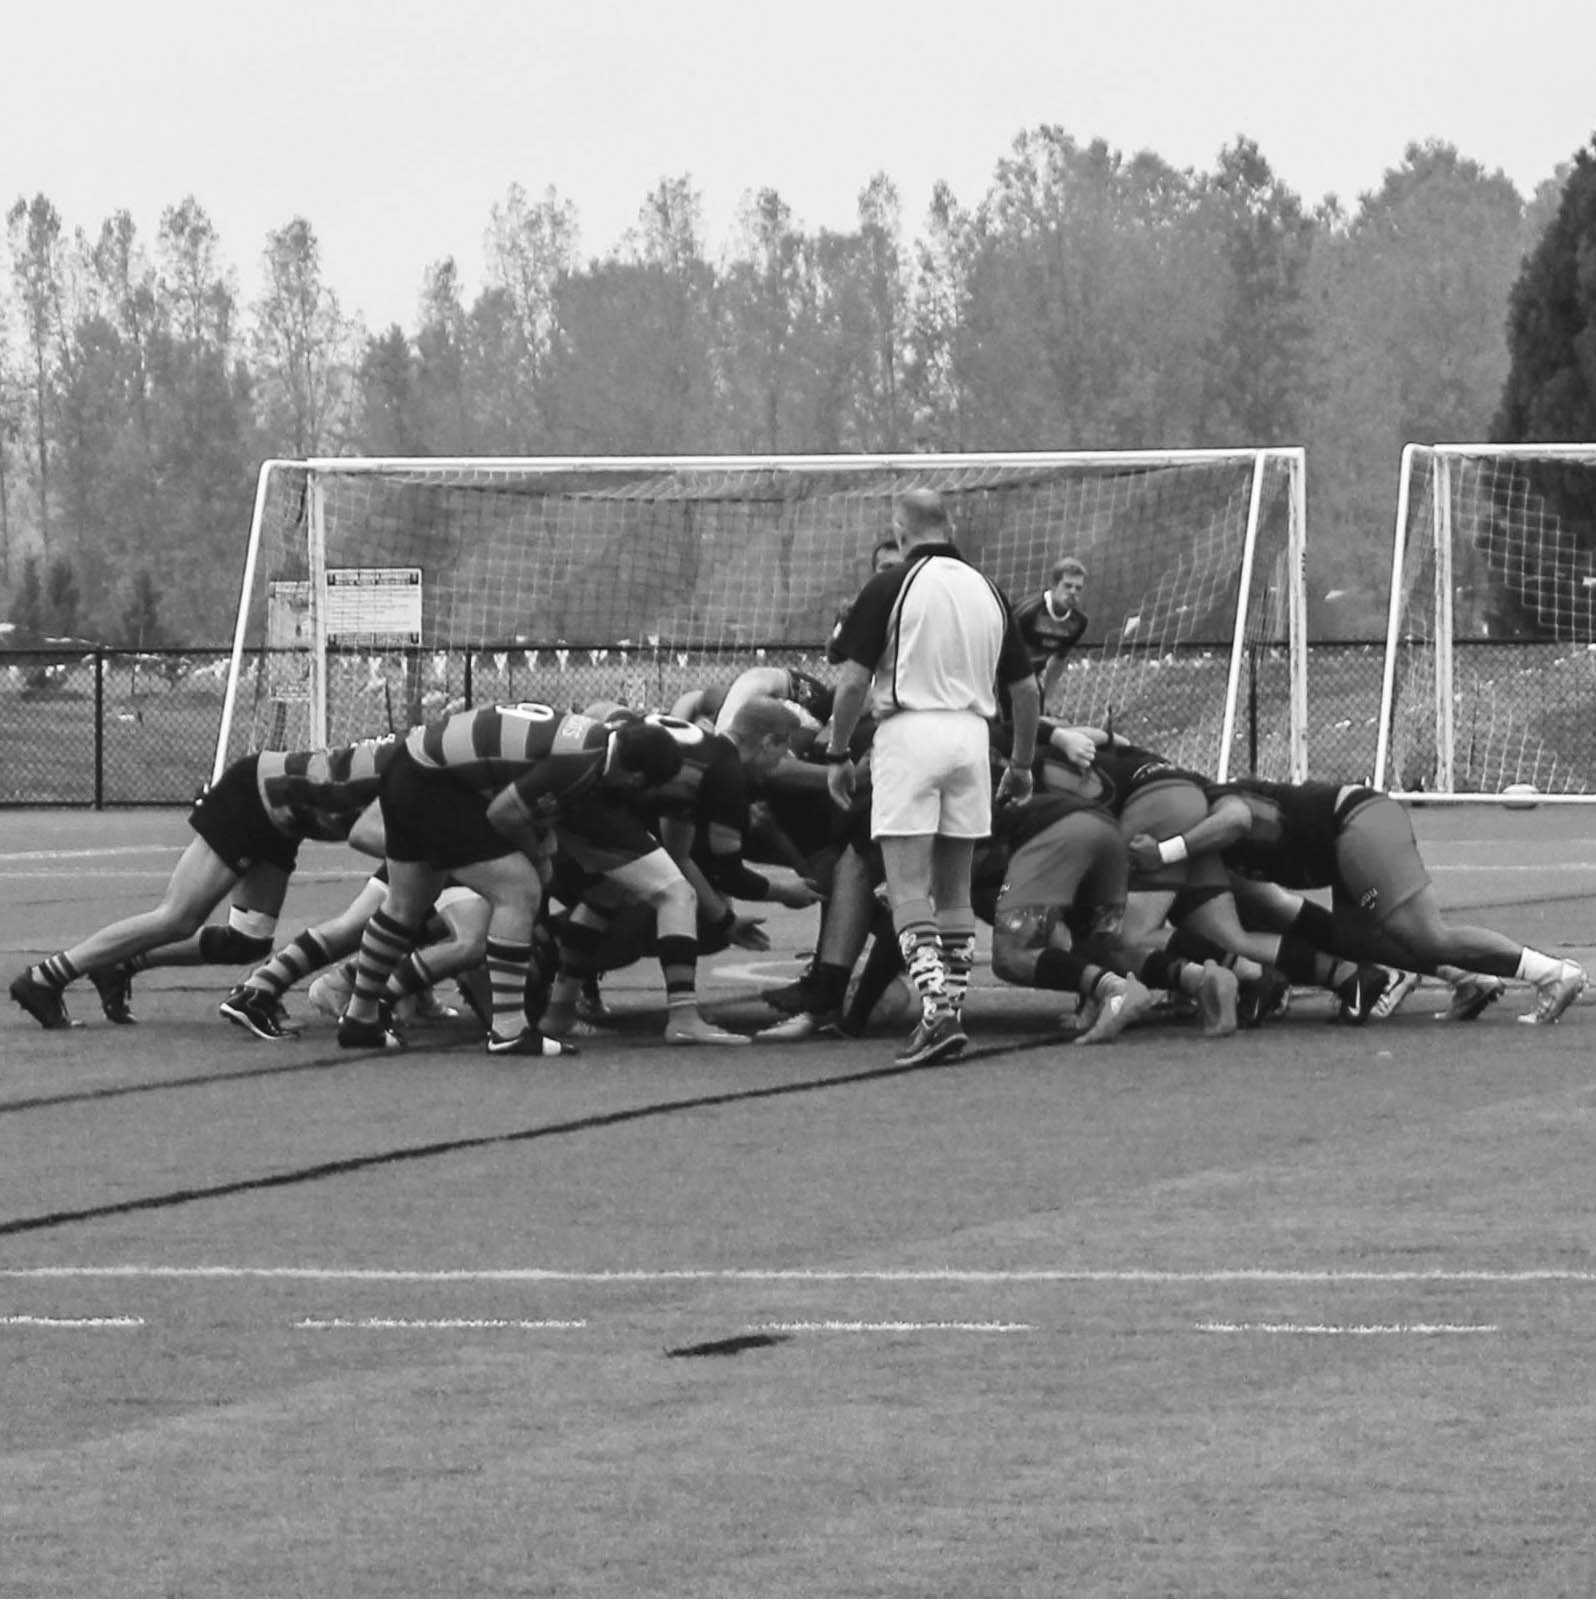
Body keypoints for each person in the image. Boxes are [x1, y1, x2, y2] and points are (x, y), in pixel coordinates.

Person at [824, 487, 1040, 1066]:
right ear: (950, 525)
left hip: (910, 733)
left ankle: (937, 1015)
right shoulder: (990, 591)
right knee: (955, 890)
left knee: (905, 885)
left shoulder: (889, 585)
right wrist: (1019, 763)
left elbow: (849, 683)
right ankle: (951, 1013)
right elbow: (1025, 689)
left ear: (899, 531)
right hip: (972, 739)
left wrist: (838, 754)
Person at [334, 702, 684, 1055]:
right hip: (434, 783)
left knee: (405, 906)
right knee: (519, 890)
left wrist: (541, 845)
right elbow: (504, 814)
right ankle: (509, 1030)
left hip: (414, 768)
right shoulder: (584, 764)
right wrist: (538, 853)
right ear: (635, 778)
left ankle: (360, 1019)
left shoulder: (589, 739)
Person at [1127, 777, 1588, 1026]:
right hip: (1344, 845)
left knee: (1428, 935)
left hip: (1358, 825)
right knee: (1355, 939)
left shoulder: (1214, 801)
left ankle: (1552, 973)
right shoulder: (1207, 843)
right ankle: (1469, 978)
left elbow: (1237, 820)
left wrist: (1167, 851)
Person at [10, 737, 397, 1030]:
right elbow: (365, 833)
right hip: (257, 797)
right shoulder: (426, 772)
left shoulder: (431, 764)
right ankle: (44, 978)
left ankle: (121, 964)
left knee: (247, 941)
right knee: (177, 917)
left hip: (283, 816)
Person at [538, 700, 821, 1044]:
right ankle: (684, 1016)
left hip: (574, 792)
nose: (782, 762)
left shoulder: (702, 753)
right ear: (768, 742)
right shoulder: (725, 773)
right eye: (784, 750)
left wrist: (725, 923)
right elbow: (729, 874)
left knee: (608, 892)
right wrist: (783, 890)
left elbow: (679, 856)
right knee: (676, 896)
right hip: (589, 800)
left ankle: (559, 1012)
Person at [1013, 556, 1089, 710]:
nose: (1073, 592)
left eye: (1078, 588)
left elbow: (1058, 660)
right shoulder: (1028, 612)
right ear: (1054, 585)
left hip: (1031, 682)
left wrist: (1047, 698)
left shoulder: (1078, 622)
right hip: (1004, 679)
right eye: (1068, 586)